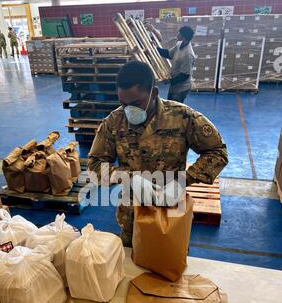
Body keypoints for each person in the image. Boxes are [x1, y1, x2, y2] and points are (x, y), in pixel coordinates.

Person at [88, 61, 228, 247]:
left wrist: (184, 180)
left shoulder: (182, 118)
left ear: (153, 93)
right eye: (123, 103)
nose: (129, 110)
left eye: (136, 103)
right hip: (133, 214)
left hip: (171, 211)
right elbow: (95, 164)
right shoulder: (114, 122)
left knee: (170, 262)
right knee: (132, 263)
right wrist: (127, 177)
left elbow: (217, 152)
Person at [157, 25, 196, 104]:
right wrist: (155, 48)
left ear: (183, 36)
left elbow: (185, 75)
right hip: (174, 86)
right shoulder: (179, 44)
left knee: (175, 110)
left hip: (181, 88)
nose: (177, 35)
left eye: (179, 33)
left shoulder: (188, 54)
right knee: (170, 105)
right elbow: (168, 54)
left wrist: (169, 81)